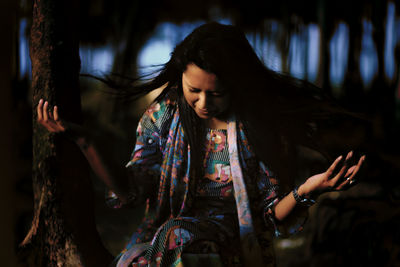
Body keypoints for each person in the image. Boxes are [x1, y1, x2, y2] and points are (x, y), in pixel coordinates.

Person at [37, 22, 365, 267]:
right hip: (165, 243)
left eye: (217, 92)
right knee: (173, 238)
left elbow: (271, 217)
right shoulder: (162, 117)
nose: (203, 102)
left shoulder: (259, 130)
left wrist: (307, 191)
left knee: (180, 237)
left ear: (236, 85)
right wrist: (86, 141)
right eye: (194, 89)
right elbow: (132, 191)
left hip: (231, 247)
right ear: (181, 76)